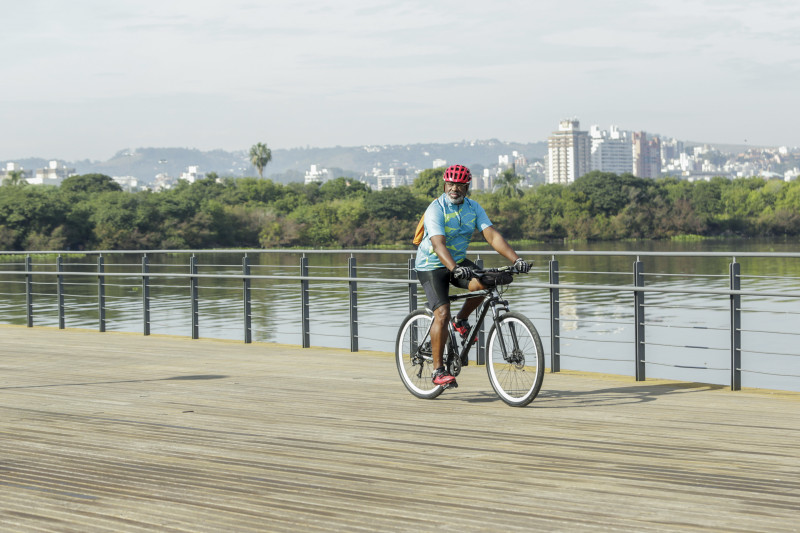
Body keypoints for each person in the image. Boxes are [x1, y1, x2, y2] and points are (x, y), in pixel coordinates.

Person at [414, 164, 530, 387]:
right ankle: (438, 371)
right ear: (445, 184)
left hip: (457, 262)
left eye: (459, 185)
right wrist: (454, 268)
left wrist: (516, 260)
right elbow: (438, 245)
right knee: (442, 313)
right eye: (450, 183)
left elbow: (492, 236)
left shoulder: (473, 208)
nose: (454, 188)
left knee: (485, 283)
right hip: (431, 264)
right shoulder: (436, 209)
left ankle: (462, 319)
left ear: (467, 187)